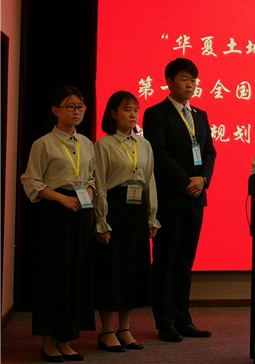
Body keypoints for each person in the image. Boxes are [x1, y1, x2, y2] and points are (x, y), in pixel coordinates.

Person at [142, 58, 217, 343]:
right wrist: (185, 182)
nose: (190, 85)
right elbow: (159, 154)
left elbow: (209, 152)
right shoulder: (156, 114)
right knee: (166, 261)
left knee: (186, 261)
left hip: (196, 198)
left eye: (193, 80)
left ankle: (184, 320)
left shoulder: (200, 114)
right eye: (184, 79)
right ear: (169, 82)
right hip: (171, 198)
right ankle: (165, 323)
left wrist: (203, 180)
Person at [20, 86, 96, 362]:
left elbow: (91, 177)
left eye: (80, 107)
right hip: (53, 212)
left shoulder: (86, 143)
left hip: (79, 211)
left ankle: (65, 339)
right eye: (70, 106)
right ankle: (47, 341)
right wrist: (62, 199)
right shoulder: (43, 144)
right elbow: (31, 180)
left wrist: (89, 194)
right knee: (52, 276)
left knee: (74, 275)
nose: (76, 112)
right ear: (55, 110)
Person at [93, 91, 160, 352]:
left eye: (135, 109)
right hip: (115, 210)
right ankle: (107, 331)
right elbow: (99, 184)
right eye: (126, 109)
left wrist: (151, 216)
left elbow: (149, 180)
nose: (132, 114)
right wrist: (101, 220)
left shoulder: (144, 144)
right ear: (113, 113)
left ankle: (125, 328)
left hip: (136, 211)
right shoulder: (104, 144)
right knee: (111, 270)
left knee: (132, 270)